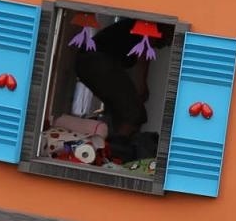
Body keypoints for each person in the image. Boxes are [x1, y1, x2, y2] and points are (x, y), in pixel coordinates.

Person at [71, 15, 172, 161]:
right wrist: (141, 85)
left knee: (120, 111)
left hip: (86, 63)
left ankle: (108, 150)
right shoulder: (150, 26)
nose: (168, 44)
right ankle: (115, 155)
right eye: (169, 38)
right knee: (134, 113)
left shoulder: (131, 29)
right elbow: (143, 56)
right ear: (167, 28)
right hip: (96, 61)